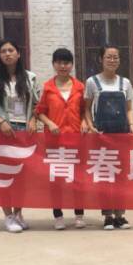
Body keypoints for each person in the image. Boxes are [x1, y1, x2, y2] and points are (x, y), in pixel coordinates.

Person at [0, 40, 40, 233]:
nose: (7, 54)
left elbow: (39, 105)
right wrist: (1, 122)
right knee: (3, 175)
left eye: (11, 50)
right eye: (3, 51)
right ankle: (8, 216)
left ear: (18, 54)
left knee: (22, 177)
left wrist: (33, 120)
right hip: (2, 133)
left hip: (24, 132)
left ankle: (18, 213)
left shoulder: (30, 78)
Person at [84, 44, 133, 230]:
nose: (112, 60)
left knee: (121, 176)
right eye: (108, 57)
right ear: (101, 59)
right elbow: (86, 109)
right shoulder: (92, 82)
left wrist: (132, 126)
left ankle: (120, 215)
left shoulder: (125, 83)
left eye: (116, 57)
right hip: (102, 137)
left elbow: (129, 109)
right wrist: (91, 127)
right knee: (105, 175)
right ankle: (107, 216)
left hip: (122, 135)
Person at [36, 48, 87, 230]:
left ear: (72, 65)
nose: (63, 66)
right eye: (59, 62)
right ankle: (58, 216)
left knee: (77, 178)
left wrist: (84, 122)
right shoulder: (48, 87)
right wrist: (50, 123)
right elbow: (39, 112)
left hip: (75, 139)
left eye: (66, 63)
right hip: (54, 140)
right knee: (56, 180)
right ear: (53, 64)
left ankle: (79, 215)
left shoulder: (79, 87)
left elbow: (84, 111)